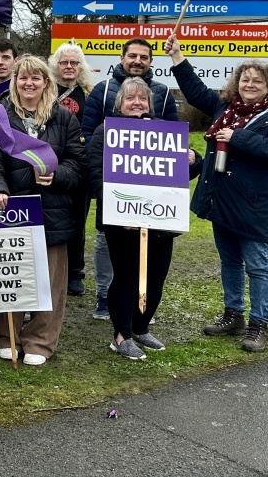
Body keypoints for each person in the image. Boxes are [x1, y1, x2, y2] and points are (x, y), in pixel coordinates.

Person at [164, 35, 268, 352]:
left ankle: (258, 324)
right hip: (220, 200)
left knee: (259, 266)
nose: (250, 85)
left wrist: (237, 138)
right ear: (237, 83)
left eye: (257, 81)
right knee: (230, 263)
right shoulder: (224, 107)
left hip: (252, 206)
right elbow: (195, 92)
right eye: (245, 79)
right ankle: (233, 314)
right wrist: (177, 57)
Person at [0, 55, 85, 366]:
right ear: (15, 82)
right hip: (14, 209)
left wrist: (58, 175)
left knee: (51, 280)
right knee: (12, 273)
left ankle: (40, 339)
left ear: (46, 83)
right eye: (23, 78)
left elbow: (78, 164)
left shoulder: (64, 119)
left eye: (36, 78)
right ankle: (7, 336)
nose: (29, 83)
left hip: (53, 210)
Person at [87, 78, 200, 360]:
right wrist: (119, 210)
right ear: (120, 104)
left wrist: (193, 159)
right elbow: (93, 176)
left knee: (155, 279)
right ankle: (121, 335)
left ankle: (140, 328)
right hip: (122, 223)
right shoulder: (106, 132)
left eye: (142, 98)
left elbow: (181, 175)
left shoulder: (164, 132)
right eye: (130, 98)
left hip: (160, 223)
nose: (137, 103)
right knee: (125, 278)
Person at [79, 38, 179, 306]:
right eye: (132, 55)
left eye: (144, 57)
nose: (137, 61)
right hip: (113, 181)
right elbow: (88, 133)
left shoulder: (163, 92)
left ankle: (139, 304)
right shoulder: (101, 90)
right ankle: (104, 295)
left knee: (147, 246)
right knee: (106, 242)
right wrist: (101, 166)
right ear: (122, 58)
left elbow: (172, 136)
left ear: (150, 62)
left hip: (151, 182)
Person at [48, 43, 101, 310]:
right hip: (49, 165)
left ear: (81, 67)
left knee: (78, 219)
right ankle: (50, 272)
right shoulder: (45, 90)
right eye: (64, 62)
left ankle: (75, 272)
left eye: (74, 63)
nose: (69, 67)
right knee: (52, 218)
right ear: (55, 65)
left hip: (79, 167)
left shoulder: (91, 94)